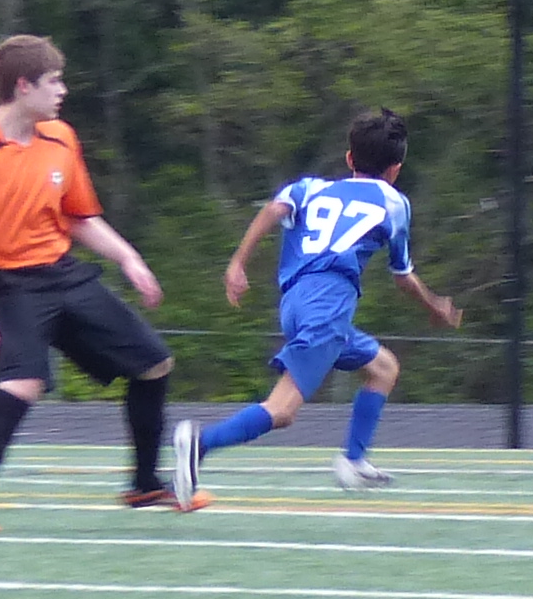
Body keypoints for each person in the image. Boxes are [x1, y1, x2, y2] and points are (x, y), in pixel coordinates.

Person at [0, 33, 189, 531]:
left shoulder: (62, 137)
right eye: (54, 81)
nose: (62, 90)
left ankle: (145, 485)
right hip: (9, 284)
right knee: (22, 384)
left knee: (154, 365)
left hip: (64, 274)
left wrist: (129, 259)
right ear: (24, 87)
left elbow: (79, 217)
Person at [177, 107, 461, 502]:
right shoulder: (395, 204)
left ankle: (354, 462)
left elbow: (274, 209)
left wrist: (238, 262)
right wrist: (434, 306)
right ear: (396, 169)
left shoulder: (310, 188)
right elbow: (403, 276)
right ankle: (200, 444)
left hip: (294, 303)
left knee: (382, 367)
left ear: (349, 158)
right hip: (328, 306)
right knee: (282, 410)